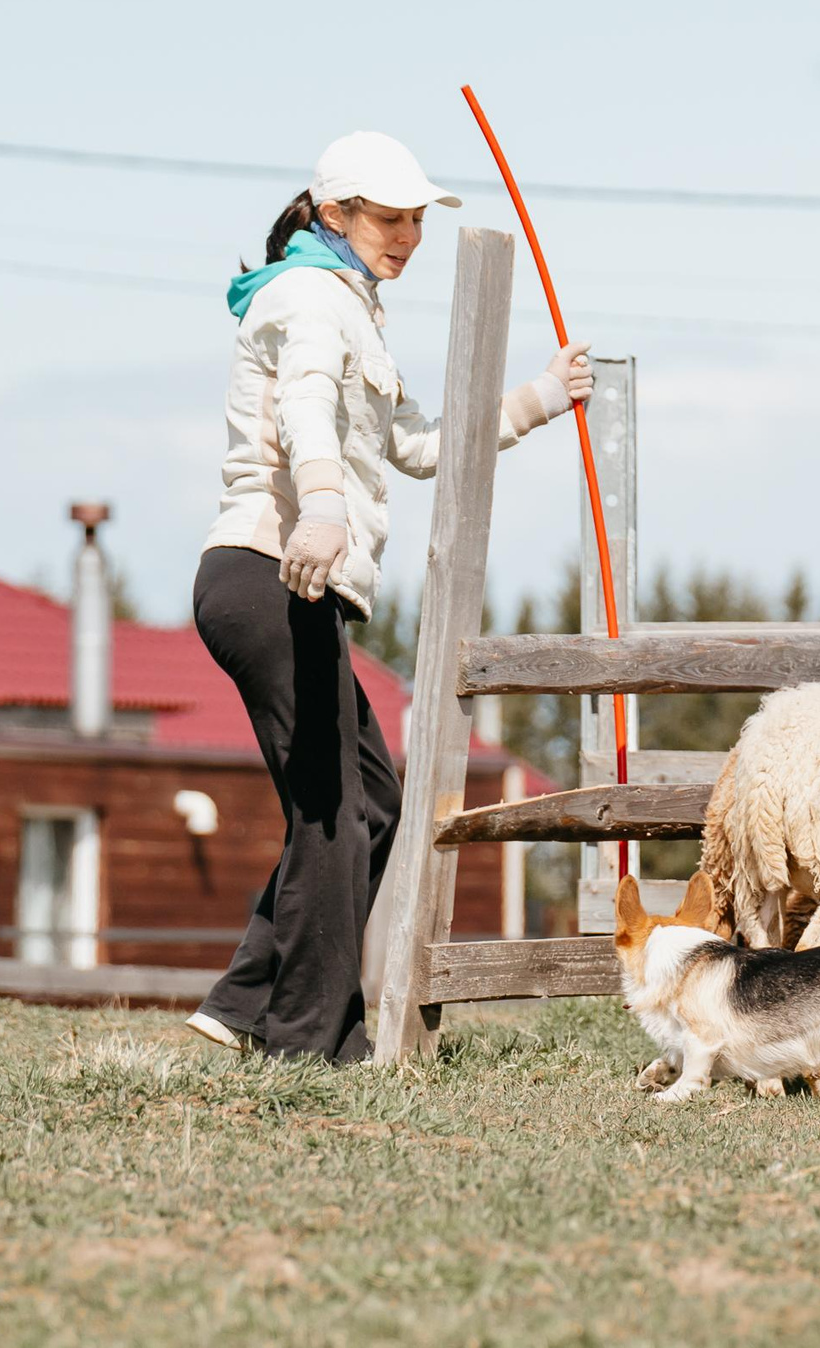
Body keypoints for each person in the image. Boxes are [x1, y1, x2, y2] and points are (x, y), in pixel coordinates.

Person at [187, 131, 592, 1062]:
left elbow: (416, 448)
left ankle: (245, 1002)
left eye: (416, 220)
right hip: (273, 569)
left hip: (297, 583)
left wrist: (534, 398)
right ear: (334, 215)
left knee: (369, 801)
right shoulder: (309, 298)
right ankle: (308, 1042)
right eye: (388, 218)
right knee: (335, 814)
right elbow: (301, 407)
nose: (406, 235)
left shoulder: (356, 311)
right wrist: (322, 508)